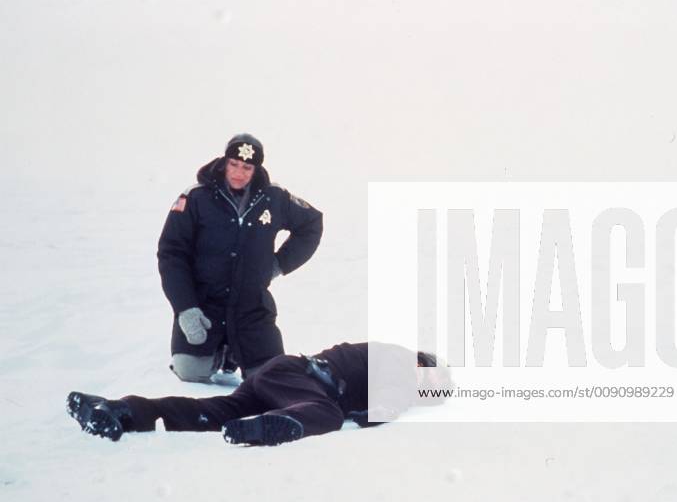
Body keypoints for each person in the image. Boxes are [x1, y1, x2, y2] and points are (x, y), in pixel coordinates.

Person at [158, 133, 323, 383]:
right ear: (225, 162)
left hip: (252, 308)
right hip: (205, 304)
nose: (239, 173)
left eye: (247, 167)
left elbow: (312, 222)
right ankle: (218, 352)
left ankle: (236, 353)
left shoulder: (273, 197)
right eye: (234, 164)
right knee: (189, 371)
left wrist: (279, 264)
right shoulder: (195, 197)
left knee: (271, 377)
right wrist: (185, 308)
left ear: (256, 169)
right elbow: (171, 254)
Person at [66, 342, 451, 446]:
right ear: (424, 364)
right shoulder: (400, 359)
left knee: (210, 412)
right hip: (300, 378)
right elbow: (388, 402)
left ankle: (118, 410)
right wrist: (384, 410)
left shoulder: (394, 371)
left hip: (279, 381)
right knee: (327, 414)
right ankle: (267, 428)